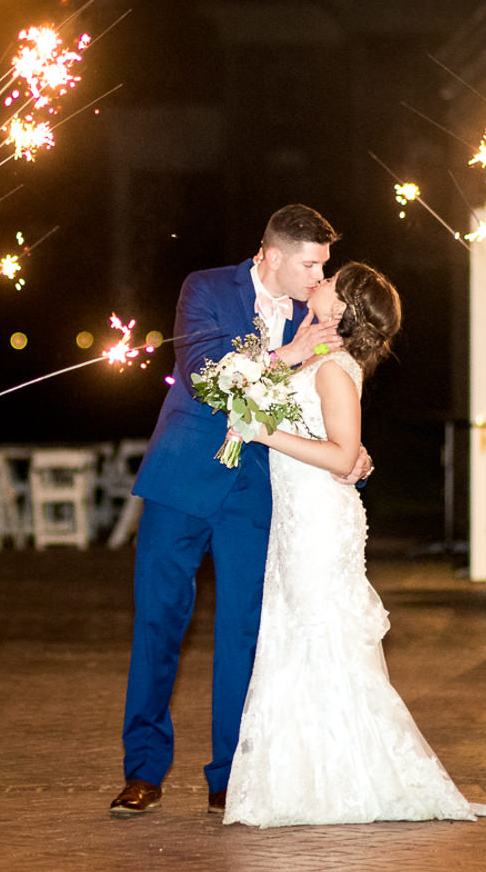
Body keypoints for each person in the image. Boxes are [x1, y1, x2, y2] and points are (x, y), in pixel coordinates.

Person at [219, 263, 486, 825]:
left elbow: (344, 457)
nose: (317, 283)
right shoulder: (322, 362)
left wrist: (260, 430)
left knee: (318, 638)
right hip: (300, 516)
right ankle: (306, 778)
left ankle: (337, 781)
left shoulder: (334, 371)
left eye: (329, 281)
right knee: (297, 635)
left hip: (320, 521)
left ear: (341, 309)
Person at [116, 206, 369, 818]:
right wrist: (290, 354)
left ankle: (229, 776)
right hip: (181, 482)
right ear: (273, 256)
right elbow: (202, 373)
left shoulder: (315, 314)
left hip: (256, 491)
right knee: (158, 625)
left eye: (324, 266)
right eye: (311, 264)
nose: (319, 276)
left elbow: (330, 394)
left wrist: (353, 448)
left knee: (244, 635)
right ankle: (143, 771)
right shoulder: (205, 287)